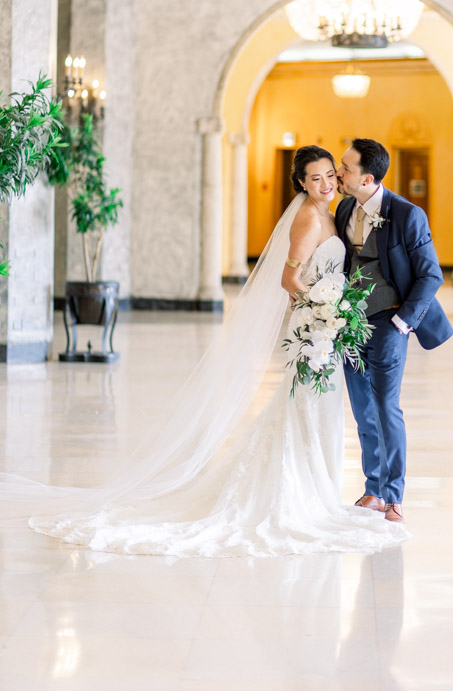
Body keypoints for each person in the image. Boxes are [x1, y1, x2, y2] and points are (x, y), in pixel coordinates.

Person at [0, 146, 409, 557]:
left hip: (326, 331)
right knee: (306, 406)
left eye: (329, 175)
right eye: (316, 177)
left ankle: (315, 494)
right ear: (301, 181)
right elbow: (289, 279)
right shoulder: (306, 216)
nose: (326, 183)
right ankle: (294, 498)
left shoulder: (333, 213)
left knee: (317, 409)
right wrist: (321, 312)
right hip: (317, 330)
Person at [336, 138, 453, 525]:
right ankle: (373, 487)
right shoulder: (344, 208)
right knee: (362, 409)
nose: (340, 172)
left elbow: (430, 274)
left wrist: (404, 321)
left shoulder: (406, 214)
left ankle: (394, 496)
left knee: (386, 407)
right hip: (350, 325)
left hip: (390, 321)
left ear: (368, 177)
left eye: (346, 168)